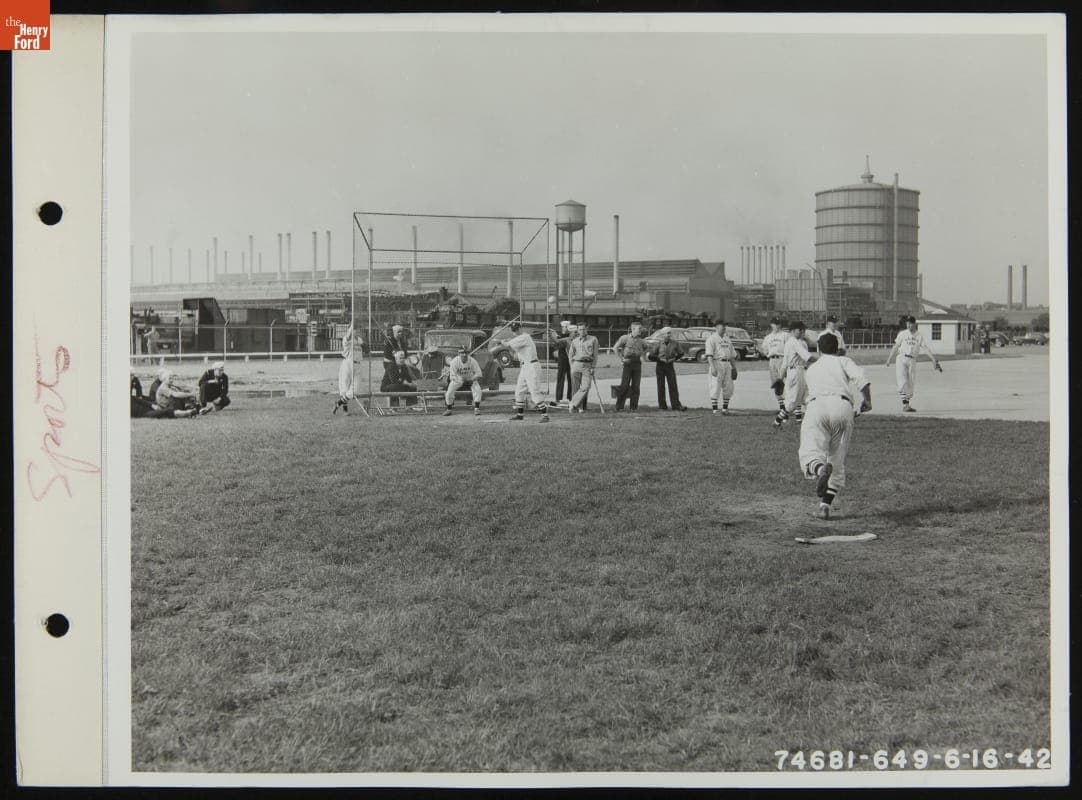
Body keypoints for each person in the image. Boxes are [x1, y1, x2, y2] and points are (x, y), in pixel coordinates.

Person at [798, 332, 872, 520]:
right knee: (837, 458)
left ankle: (818, 469)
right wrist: (867, 401)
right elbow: (862, 379)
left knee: (810, 449)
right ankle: (825, 506)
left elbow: (805, 392)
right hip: (842, 405)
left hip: (817, 406)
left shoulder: (812, 368)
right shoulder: (843, 361)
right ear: (837, 348)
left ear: (819, 349)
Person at [885, 314, 942, 412]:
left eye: (910, 323)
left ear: (914, 324)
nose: (908, 325)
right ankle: (905, 405)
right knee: (902, 381)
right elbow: (896, 346)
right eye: (907, 323)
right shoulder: (902, 334)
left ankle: (907, 404)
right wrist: (889, 358)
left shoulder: (919, 336)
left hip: (912, 360)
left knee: (911, 382)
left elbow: (925, 348)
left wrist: (933, 359)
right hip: (901, 358)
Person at [505, 321, 550, 422]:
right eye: (514, 330)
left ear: (520, 328)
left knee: (534, 392)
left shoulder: (525, 337)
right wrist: (508, 347)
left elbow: (509, 343)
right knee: (519, 391)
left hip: (532, 366)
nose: (516, 331)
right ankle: (520, 415)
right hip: (525, 367)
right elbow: (515, 357)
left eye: (517, 329)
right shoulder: (518, 341)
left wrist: (505, 342)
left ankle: (545, 416)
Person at [774, 321, 815, 429]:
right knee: (792, 402)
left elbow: (784, 363)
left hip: (801, 371)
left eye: (803, 330)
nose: (802, 331)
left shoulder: (800, 342)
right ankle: (777, 422)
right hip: (795, 372)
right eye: (799, 330)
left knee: (808, 398)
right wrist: (823, 359)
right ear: (792, 331)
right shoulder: (793, 342)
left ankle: (812, 422)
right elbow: (808, 357)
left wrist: (780, 378)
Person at [613, 321, 648, 412]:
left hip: (637, 364)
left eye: (641, 328)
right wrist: (622, 359)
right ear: (633, 329)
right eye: (639, 329)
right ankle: (619, 407)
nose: (640, 330)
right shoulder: (625, 338)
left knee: (636, 386)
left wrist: (642, 355)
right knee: (624, 386)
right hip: (627, 363)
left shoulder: (641, 340)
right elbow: (615, 348)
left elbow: (647, 348)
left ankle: (633, 407)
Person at [704, 320, 736, 415]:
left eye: (725, 326)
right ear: (716, 327)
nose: (724, 328)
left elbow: (732, 355)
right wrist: (712, 367)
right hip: (717, 363)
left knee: (728, 386)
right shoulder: (712, 339)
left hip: (727, 363)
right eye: (722, 326)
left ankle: (725, 409)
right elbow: (709, 355)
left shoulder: (727, 339)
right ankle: (715, 409)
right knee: (715, 385)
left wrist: (734, 367)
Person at [567, 323, 600, 413]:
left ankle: (572, 403)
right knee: (575, 388)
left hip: (587, 365)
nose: (582, 331)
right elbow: (570, 355)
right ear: (577, 331)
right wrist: (571, 366)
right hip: (576, 365)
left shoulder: (593, 339)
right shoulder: (575, 341)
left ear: (587, 329)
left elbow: (595, 355)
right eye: (580, 329)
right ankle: (578, 408)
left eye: (584, 329)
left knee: (586, 387)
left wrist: (593, 367)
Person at [442, 346, 484, 416]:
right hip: (458, 379)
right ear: (459, 354)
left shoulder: (472, 360)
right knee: (449, 391)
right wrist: (460, 380)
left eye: (466, 352)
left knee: (477, 389)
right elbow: (452, 376)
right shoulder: (454, 361)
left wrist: (472, 379)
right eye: (462, 353)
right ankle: (449, 409)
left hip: (470, 378)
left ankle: (477, 409)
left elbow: (479, 373)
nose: (464, 354)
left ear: (468, 353)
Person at [652, 328, 687, 411]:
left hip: (670, 365)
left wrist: (674, 359)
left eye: (670, 333)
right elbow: (651, 356)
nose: (669, 335)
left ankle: (676, 405)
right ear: (663, 334)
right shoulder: (658, 343)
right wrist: (660, 359)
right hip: (660, 366)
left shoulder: (675, 343)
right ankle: (662, 406)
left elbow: (681, 353)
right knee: (661, 386)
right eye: (667, 333)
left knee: (673, 385)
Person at [761, 316, 789, 413]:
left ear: (780, 325)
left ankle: (788, 406)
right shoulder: (768, 337)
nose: (776, 326)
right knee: (776, 383)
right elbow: (764, 349)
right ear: (771, 325)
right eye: (774, 324)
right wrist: (767, 353)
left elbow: (789, 348)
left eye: (778, 324)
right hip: (772, 360)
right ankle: (782, 407)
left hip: (782, 359)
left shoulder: (785, 335)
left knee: (785, 382)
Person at [334, 328, 359, 415]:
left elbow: (366, 349)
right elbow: (348, 336)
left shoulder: (359, 339)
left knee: (355, 390)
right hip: (348, 363)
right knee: (345, 387)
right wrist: (352, 325)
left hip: (358, 364)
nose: (356, 331)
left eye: (357, 329)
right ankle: (345, 411)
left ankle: (339, 403)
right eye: (354, 329)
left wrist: (364, 344)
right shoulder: (346, 338)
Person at [553, 321, 574, 406]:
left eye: (565, 327)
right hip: (562, 359)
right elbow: (557, 345)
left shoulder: (570, 336)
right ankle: (558, 398)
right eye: (563, 327)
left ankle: (570, 397)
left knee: (570, 378)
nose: (564, 328)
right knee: (560, 378)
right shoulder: (560, 336)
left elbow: (562, 344)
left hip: (570, 359)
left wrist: (558, 339)